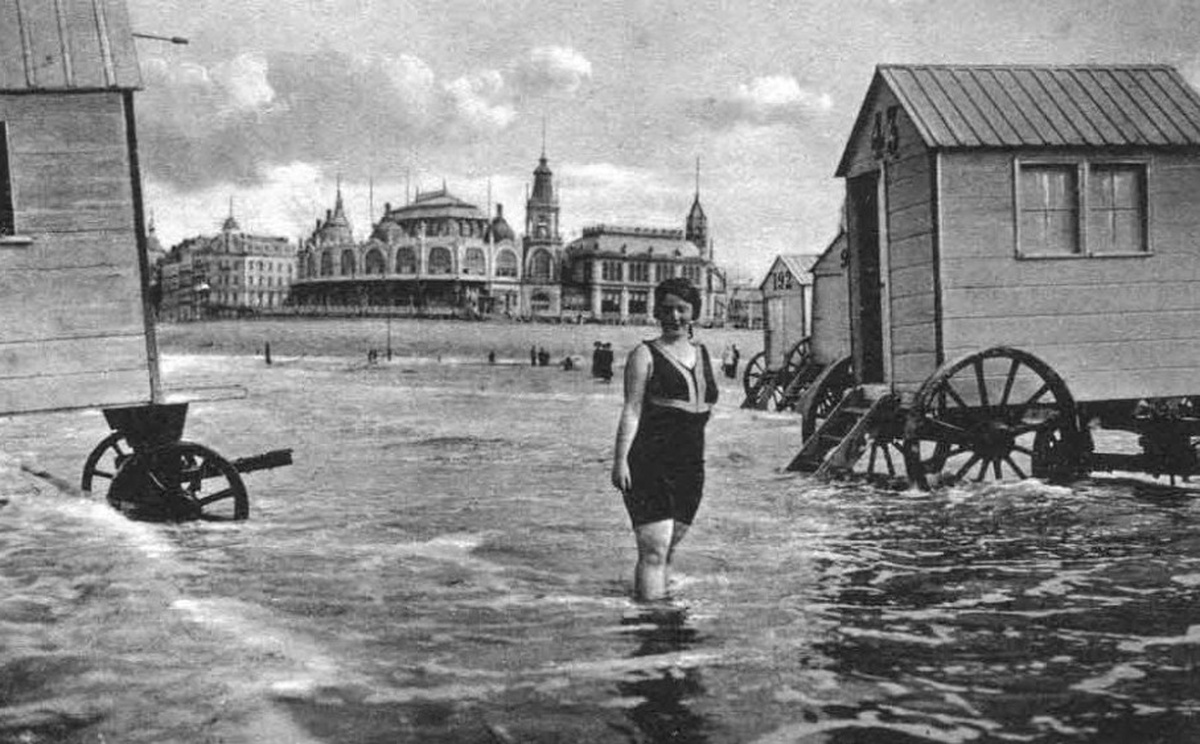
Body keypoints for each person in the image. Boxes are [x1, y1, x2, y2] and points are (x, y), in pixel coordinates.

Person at [611, 277, 718, 602]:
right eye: (667, 309)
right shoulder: (643, 355)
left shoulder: (703, 353)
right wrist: (620, 462)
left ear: (694, 313)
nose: (674, 316)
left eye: (682, 309)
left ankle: (659, 613)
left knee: (667, 549)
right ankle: (650, 624)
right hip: (649, 465)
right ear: (657, 311)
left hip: (690, 468)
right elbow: (631, 410)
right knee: (654, 553)